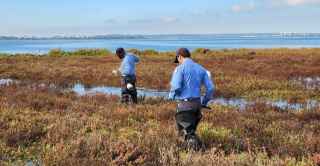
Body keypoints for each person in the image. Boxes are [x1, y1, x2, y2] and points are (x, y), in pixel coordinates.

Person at [169, 48, 214, 150]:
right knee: (190, 132)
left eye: (178, 60)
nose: (178, 62)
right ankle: (199, 153)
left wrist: (171, 97)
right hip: (197, 105)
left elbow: (175, 87)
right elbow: (211, 88)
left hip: (185, 105)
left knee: (186, 134)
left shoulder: (179, 69)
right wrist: (204, 102)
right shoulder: (201, 69)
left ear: (179, 57)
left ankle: (192, 155)